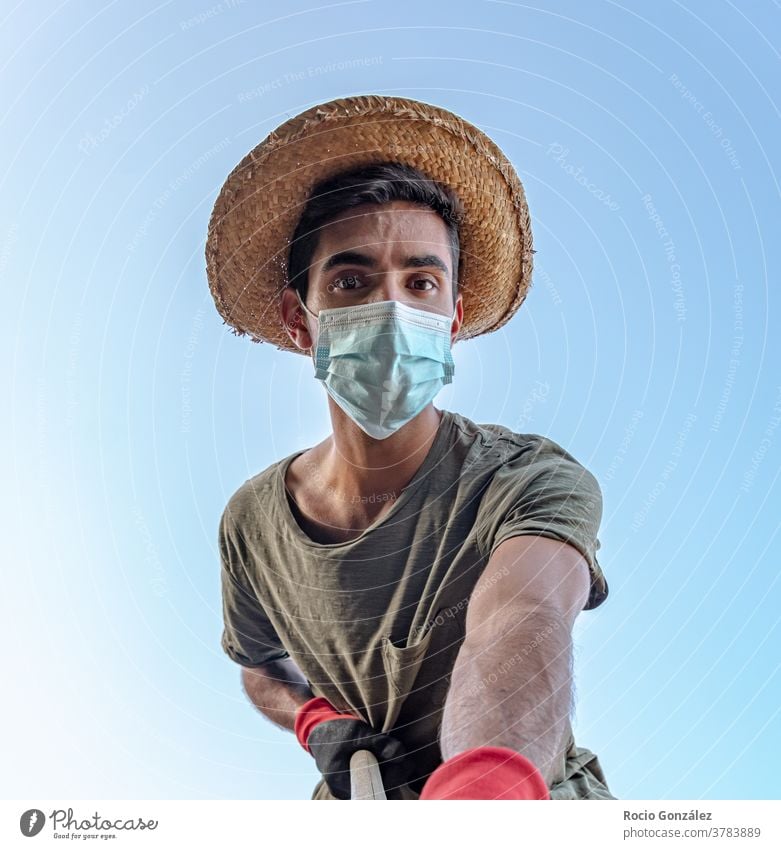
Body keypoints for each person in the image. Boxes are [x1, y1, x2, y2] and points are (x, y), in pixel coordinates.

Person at [208, 95, 613, 800]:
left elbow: (522, 614)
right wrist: (313, 719)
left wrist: (486, 790)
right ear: (298, 321)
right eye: (350, 280)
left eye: (420, 281)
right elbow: (259, 660)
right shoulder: (252, 523)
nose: (391, 306)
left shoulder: (526, 478)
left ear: (451, 318)